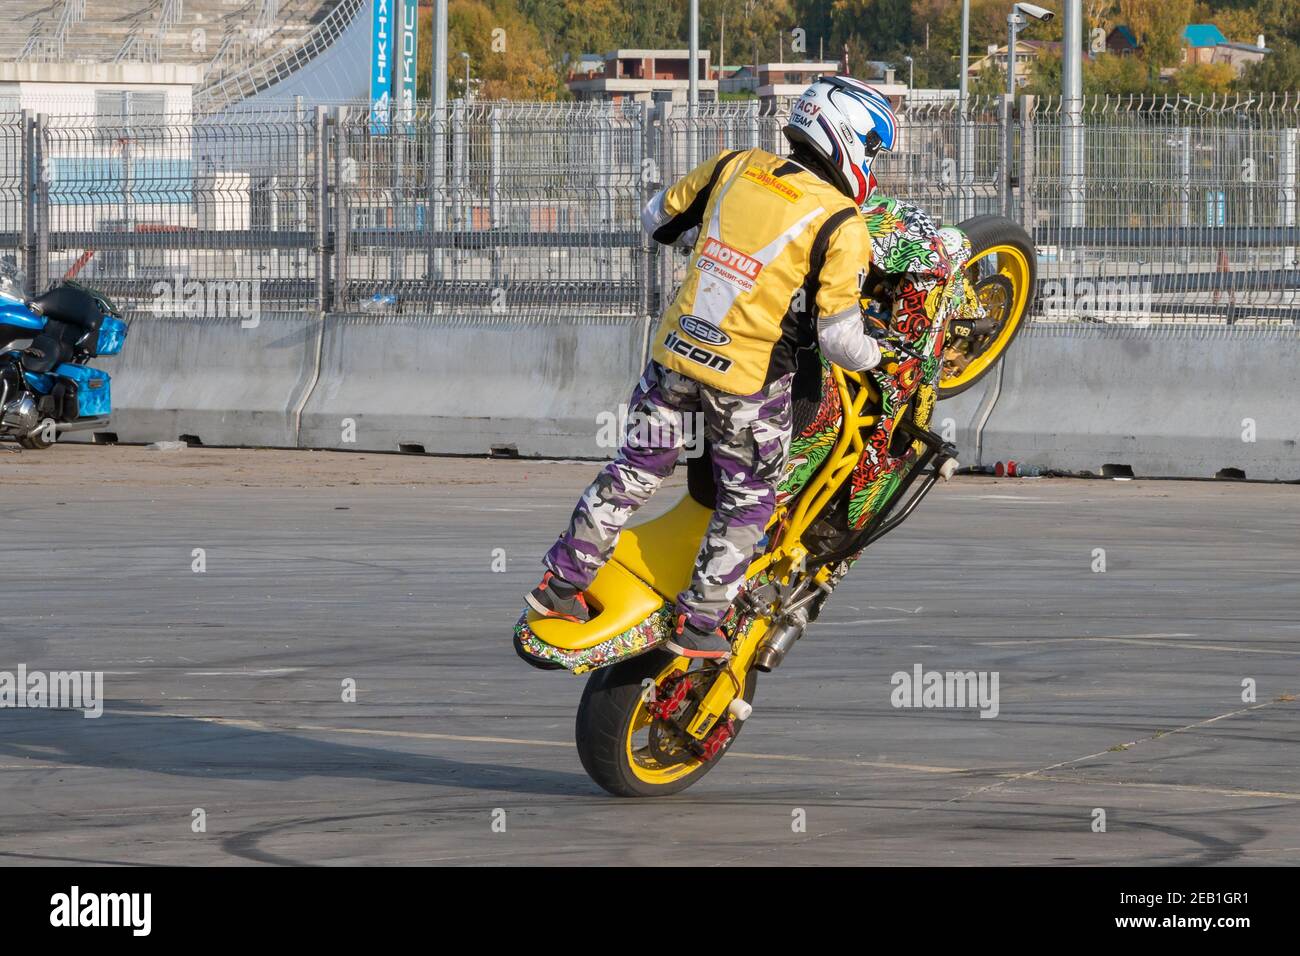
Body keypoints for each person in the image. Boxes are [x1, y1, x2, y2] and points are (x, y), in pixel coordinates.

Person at [527, 76, 899, 660]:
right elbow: (838, 339)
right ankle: (698, 622)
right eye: (872, 148)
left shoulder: (734, 165)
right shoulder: (841, 223)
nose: (872, 163)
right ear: (847, 136)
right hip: (746, 380)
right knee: (749, 498)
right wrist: (883, 351)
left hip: (674, 355)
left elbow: (656, 222)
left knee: (633, 468)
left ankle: (560, 584)